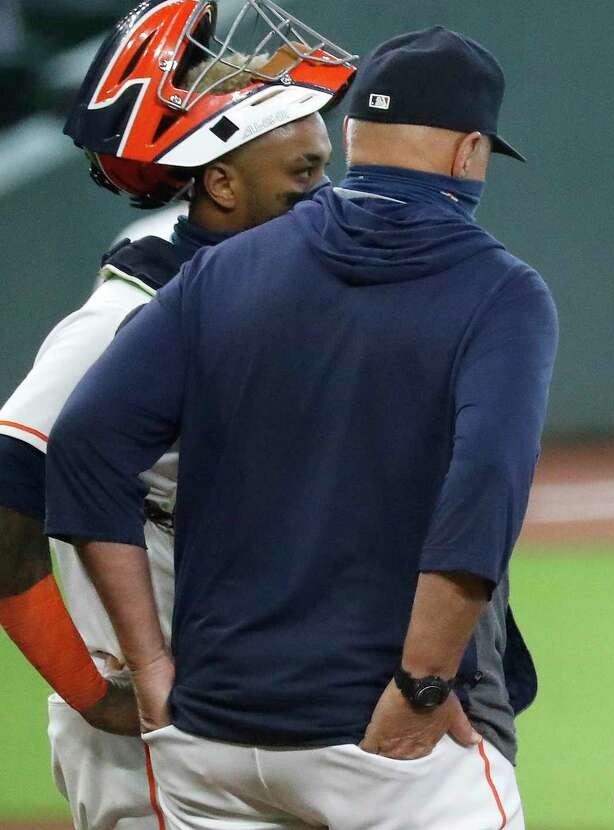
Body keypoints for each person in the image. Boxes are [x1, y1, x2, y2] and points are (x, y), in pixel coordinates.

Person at [44, 25, 555, 830]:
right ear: (468, 153)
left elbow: (82, 448)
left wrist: (149, 667)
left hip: (211, 737)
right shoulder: (501, 293)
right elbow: (484, 490)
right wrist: (424, 685)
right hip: (377, 742)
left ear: (350, 138)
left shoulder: (221, 271)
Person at [0, 2, 353, 827]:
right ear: (222, 184)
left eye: (323, 167)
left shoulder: (279, 279)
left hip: (273, 711)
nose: (324, 194)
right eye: (300, 176)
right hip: (160, 743)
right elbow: (5, 502)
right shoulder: (128, 318)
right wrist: (93, 694)